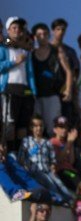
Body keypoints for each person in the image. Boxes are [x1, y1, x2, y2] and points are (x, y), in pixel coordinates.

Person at [17, 114, 74, 203]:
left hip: (47, 171)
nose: (38, 128)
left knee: (59, 184)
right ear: (31, 128)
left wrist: (53, 167)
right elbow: (21, 158)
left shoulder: (47, 143)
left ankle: (70, 200)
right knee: (50, 184)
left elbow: (53, 160)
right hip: (34, 171)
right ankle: (58, 198)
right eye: (35, 126)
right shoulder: (26, 141)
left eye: (40, 126)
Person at [1, 16, 36, 150]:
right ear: (8, 30)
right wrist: (14, 62)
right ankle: (9, 152)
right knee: (9, 124)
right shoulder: (3, 46)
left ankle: (20, 153)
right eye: (14, 28)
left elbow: (30, 74)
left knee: (23, 125)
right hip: (9, 89)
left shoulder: (25, 51)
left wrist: (33, 92)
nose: (17, 31)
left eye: (19, 28)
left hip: (25, 90)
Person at [31, 23, 72, 135]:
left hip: (53, 95)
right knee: (37, 129)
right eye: (39, 34)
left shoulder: (56, 51)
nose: (42, 37)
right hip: (36, 97)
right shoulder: (32, 54)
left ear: (49, 35)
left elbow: (68, 71)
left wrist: (68, 90)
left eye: (45, 34)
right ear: (35, 37)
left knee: (52, 130)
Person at [50, 18, 79, 119]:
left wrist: (70, 89)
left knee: (65, 119)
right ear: (52, 30)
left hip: (65, 91)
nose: (61, 32)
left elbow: (75, 73)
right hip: (48, 90)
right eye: (58, 29)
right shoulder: (45, 49)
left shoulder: (70, 51)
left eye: (63, 29)